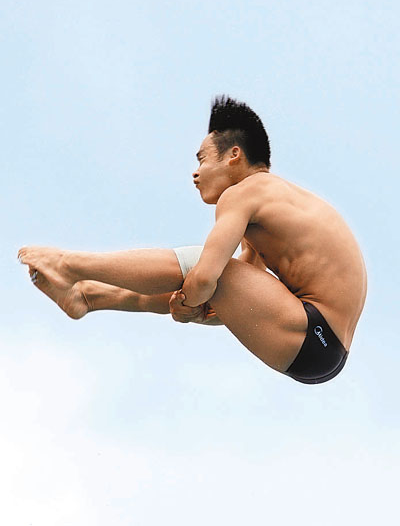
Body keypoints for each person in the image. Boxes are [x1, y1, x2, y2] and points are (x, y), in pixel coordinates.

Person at [18, 95, 367, 384]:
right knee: (205, 273)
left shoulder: (245, 193)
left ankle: (67, 265)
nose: (195, 172)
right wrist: (194, 306)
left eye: (202, 159)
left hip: (312, 332)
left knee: (204, 266)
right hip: (321, 348)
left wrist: (190, 303)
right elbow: (231, 303)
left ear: (234, 155)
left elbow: (206, 279)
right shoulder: (273, 205)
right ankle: (88, 297)